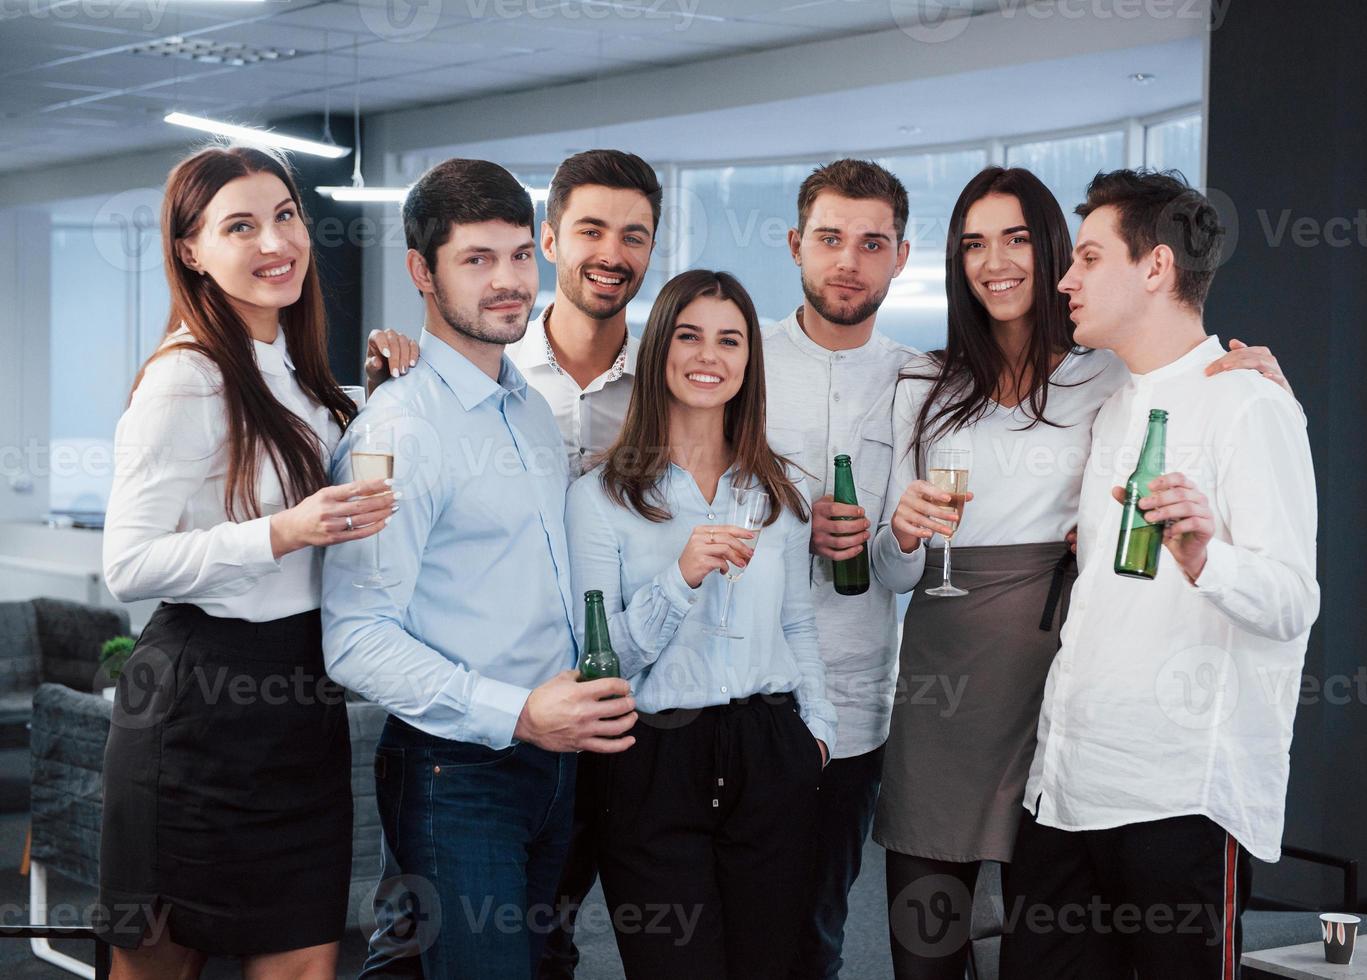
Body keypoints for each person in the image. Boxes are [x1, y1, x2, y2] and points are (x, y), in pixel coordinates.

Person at [868, 166, 1298, 980]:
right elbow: (895, 572)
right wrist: (901, 534)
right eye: (972, 244)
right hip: (983, 699)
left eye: (1021, 239)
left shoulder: (1116, 375)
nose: (998, 261)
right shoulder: (928, 383)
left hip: (1078, 711)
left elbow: (1189, 374)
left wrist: (1268, 381)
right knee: (938, 946)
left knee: (1076, 941)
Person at [997, 169, 1319, 979]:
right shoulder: (1116, 403)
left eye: (1088, 258)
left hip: (1177, 801)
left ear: (1156, 268)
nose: (1064, 279)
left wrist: (1208, 560)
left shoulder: (1251, 405)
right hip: (1067, 788)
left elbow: (1293, 600)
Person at [320, 158, 637, 980]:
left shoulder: (525, 410)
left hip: (552, 762)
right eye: (476, 259)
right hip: (457, 771)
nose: (508, 282)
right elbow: (354, 637)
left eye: (520, 255)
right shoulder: (402, 430)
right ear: (422, 272)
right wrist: (517, 713)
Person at [98, 144, 394, 979]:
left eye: (286, 216)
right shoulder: (184, 378)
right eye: (241, 226)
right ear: (191, 250)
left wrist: (385, 386)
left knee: (307, 962)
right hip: (197, 711)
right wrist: (282, 532)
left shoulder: (301, 377)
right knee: (158, 966)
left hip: (300, 711)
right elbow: (128, 563)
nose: (276, 241)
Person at [565, 269, 837, 980]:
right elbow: (602, 665)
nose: (708, 356)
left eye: (730, 340)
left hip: (770, 750)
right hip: (652, 760)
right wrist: (678, 580)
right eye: (688, 336)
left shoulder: (781, 490)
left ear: (750, 361)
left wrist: (818, 736)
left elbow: (798, 626)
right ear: (658, 351)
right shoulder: (601, 497)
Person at [760, 158, 917, 980]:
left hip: (856, 700)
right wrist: (793, 530)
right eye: (829, 238)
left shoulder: (923, 381)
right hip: (745, 690)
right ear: (795, 245)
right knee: (728, 915)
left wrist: (901, 535)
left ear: (901, 256)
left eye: (871, 242)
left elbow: (900, 575)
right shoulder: (736, 358)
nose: (847, 261)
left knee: (818, 923)